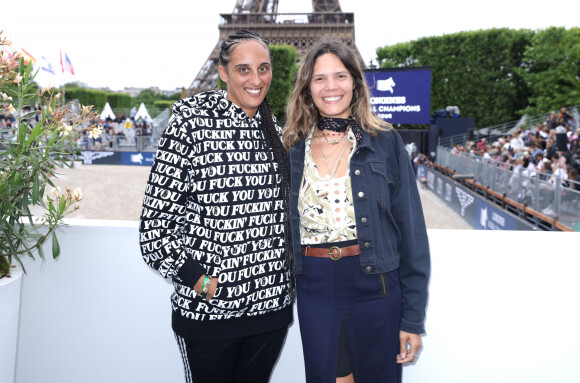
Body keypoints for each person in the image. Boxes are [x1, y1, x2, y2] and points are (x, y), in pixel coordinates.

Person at [139, 29, 293, 383]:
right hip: (208, 316)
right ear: (223, 72)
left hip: (269, 313)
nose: (256, 79)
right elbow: (155, 230)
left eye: (264, 68)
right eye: (244, 69)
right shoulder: (190, 123)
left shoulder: (275, 130)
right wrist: (203, 284)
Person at [283, 39, 430, 383]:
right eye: (320, 79)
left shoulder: (386, 141)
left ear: (355, 82)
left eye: (340, 76)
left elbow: (412, 233)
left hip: (375, 284)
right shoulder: (292, 147)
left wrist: (412, 319)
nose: (330, 87)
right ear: (307, 87)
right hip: (316, 287)